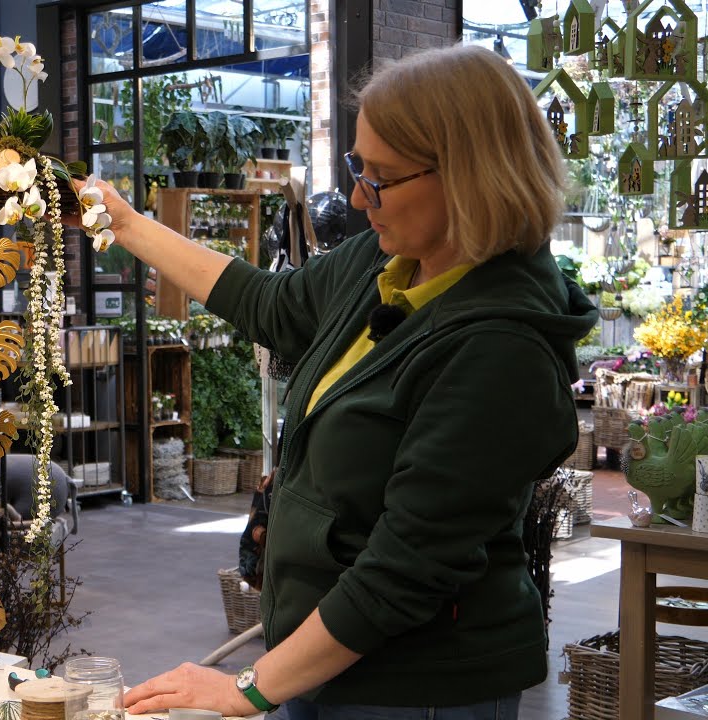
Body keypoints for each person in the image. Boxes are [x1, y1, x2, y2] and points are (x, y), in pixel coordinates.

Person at [90, 44, 597, 720]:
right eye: (360, 167)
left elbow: (405, 570)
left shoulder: (501, 349)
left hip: (416, 688)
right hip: (321, 662)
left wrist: (249, 686)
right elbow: (269, 304)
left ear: (470, 177)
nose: (359, 197)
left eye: (380, 178)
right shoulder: (386, 261)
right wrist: (125, 224)